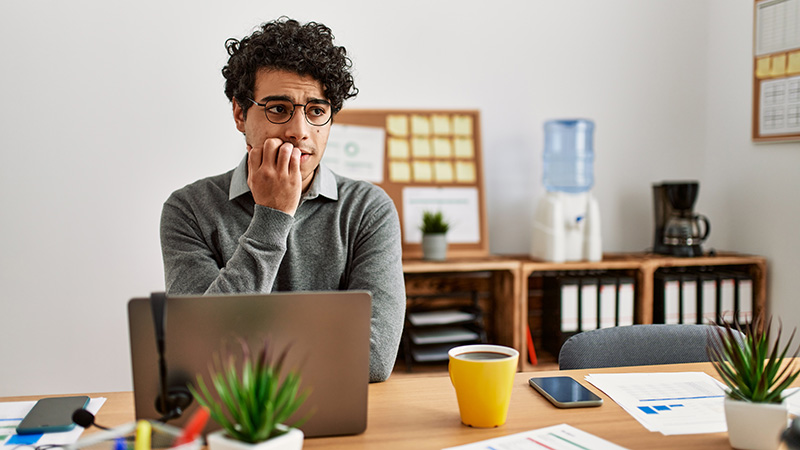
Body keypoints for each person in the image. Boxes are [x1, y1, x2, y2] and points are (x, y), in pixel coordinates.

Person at [159, 17, 406, 382]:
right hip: (233, 425)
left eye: (316, 111)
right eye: (278, 108)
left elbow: (372, 359)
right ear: (240, 114)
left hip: (338, 419)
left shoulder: (368, 209)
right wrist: (273, 216)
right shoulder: (189, 210)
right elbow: (204, 354)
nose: (299, 131)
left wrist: (244, 351)